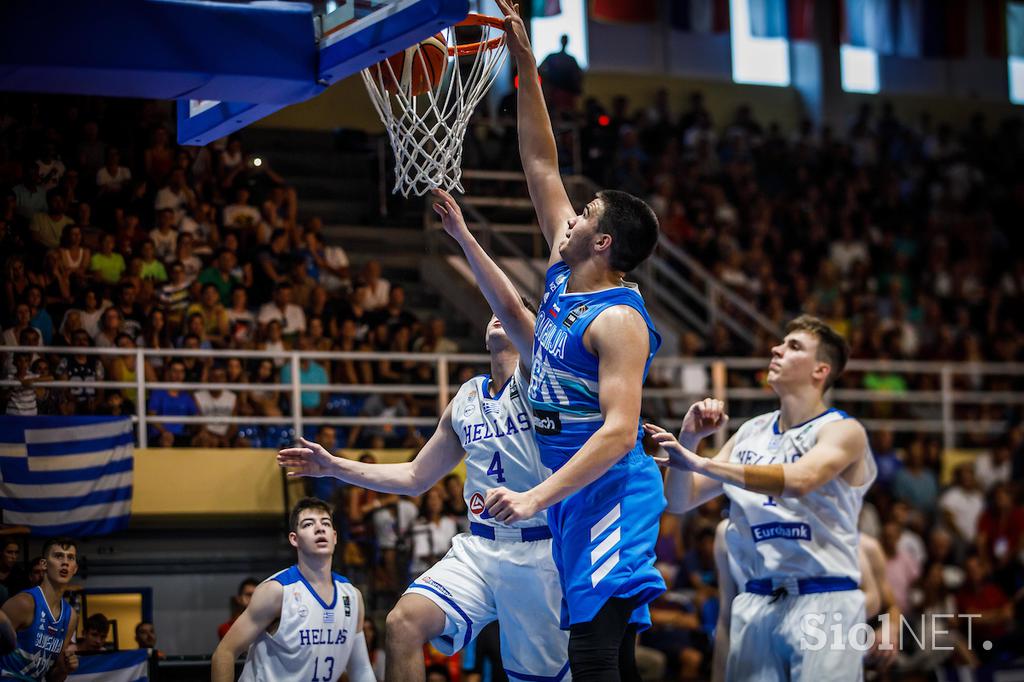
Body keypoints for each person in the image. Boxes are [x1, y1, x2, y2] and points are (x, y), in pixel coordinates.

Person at [481, 5, 666, 679]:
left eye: (586, 214)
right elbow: (538, 161)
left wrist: (534, 497)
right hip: (572, 488)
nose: (572, 213)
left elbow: (621, 433)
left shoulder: (619, 320)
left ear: (605, 242)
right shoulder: (566, 269)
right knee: (608, 650)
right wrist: (523, 61)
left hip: (610, 486)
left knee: (590, 650)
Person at [278, 257, 569, 682]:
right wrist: (332, 466)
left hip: (538, 552)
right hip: (480, 546)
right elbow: (416, 477)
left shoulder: (543, 384)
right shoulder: (466, 398)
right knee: (402, 623)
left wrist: (463, 237)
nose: (497, 318)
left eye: (508, 313)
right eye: (493, 314)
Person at [647, 316, 876, 681]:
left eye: (794, 346)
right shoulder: (750, 433)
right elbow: (679, 500)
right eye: (781, 343)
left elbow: (801, 479)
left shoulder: (843, 431)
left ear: (821, 371)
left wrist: (703, 463)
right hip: (756, 599)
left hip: (825, 599)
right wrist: (689, 439)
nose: (776, 349)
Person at [211, 498, 374, 682]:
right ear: (294, 539)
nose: (320, 528)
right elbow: (224, 653)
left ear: (334, 537)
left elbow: (360, 669)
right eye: (308, 524)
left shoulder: (352, 596)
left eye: (326, 523)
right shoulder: (276, 591)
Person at [0, 537, 80, 680]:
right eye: (58, 556)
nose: (65, 562)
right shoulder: (24, 603)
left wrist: (64, 669)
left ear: (75, 569)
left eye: (71, 558)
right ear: (44, 564)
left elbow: (52, 678)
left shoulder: (71, 617)